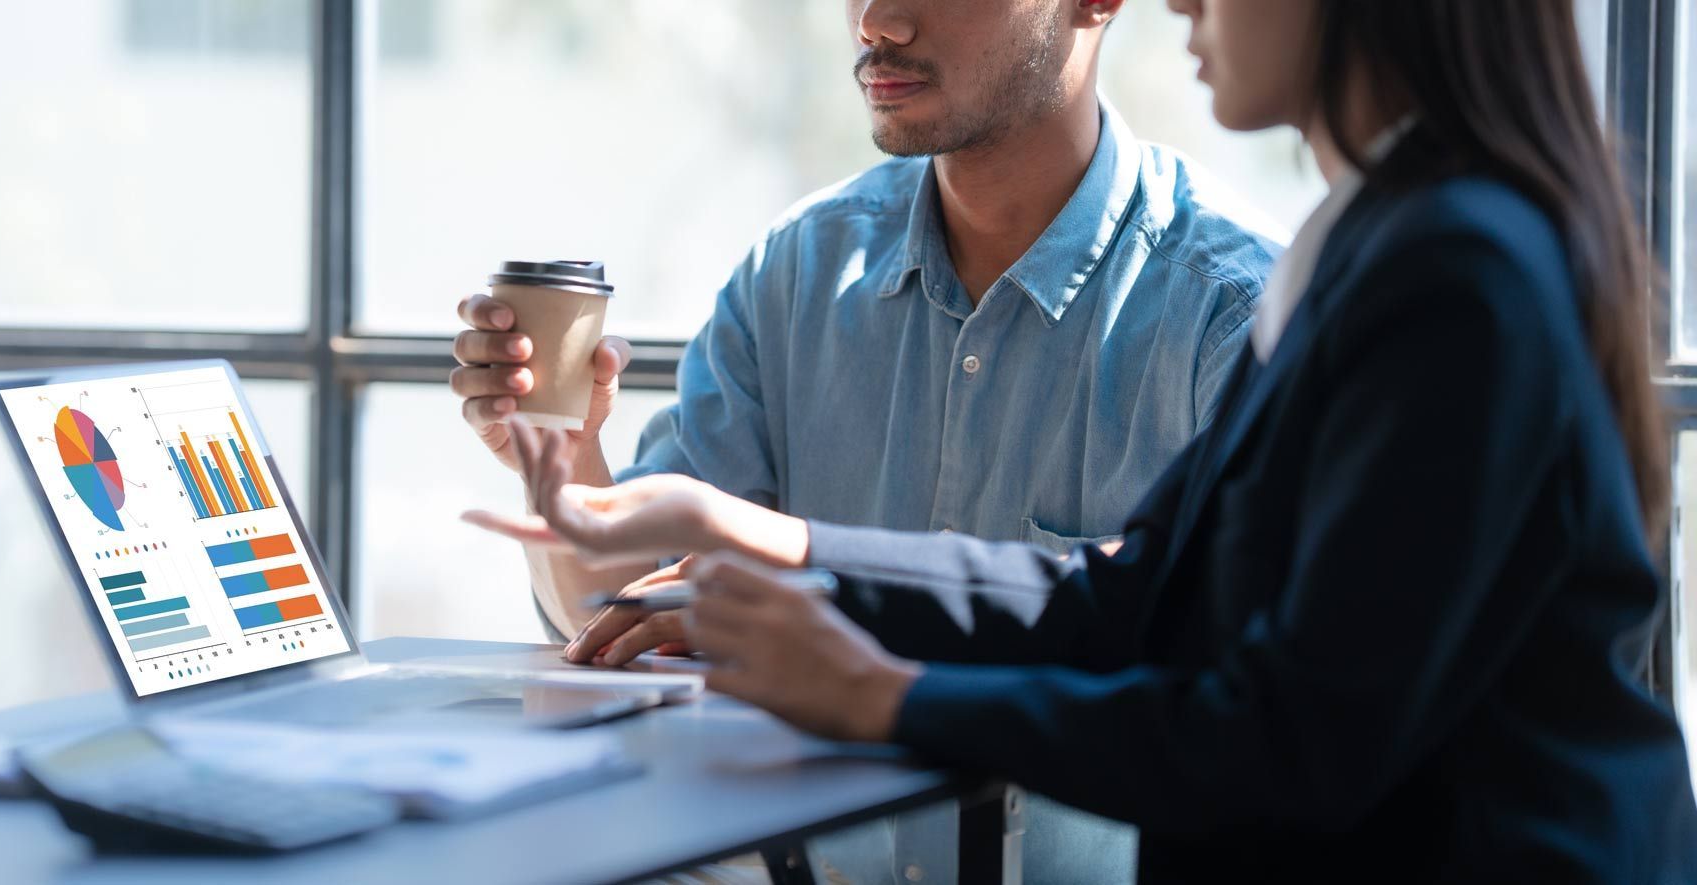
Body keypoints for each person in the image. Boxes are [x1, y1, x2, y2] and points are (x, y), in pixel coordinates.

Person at [466, 0, 1697, 880]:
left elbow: (1289, 741)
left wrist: (889, 696)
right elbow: (1131, 597)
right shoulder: (1373, 256)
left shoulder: (1445, 273)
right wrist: (735, 528)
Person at [452, 1, 1279, 881]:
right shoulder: (799, 271)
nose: (877, 21)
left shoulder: (1233, 317)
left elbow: (1247, 724)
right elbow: (631, 620)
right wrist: (568, 463)